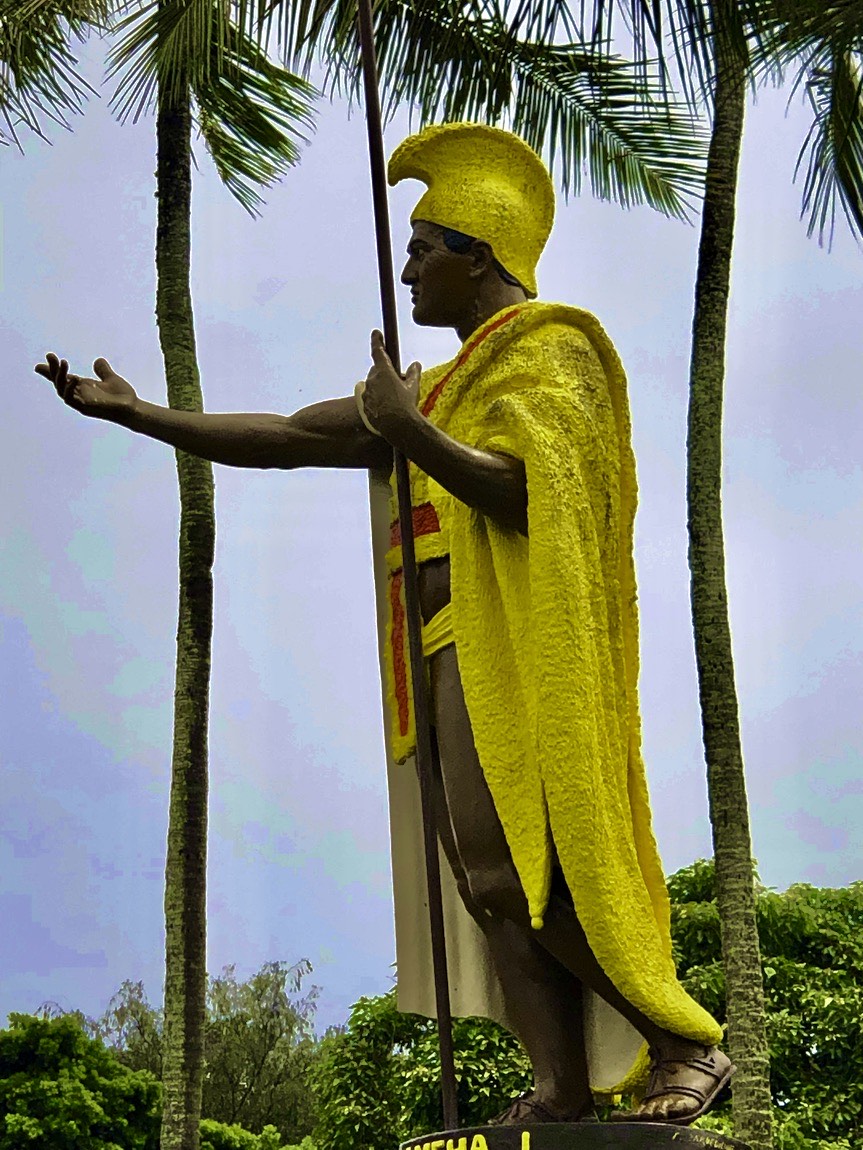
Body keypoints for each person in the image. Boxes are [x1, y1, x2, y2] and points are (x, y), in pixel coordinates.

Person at [35, 122, 733, 1127]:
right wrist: (140, 416)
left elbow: (529, 499)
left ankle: (683, 1041)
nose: (405, 270)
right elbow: (284, 434)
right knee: (483, 884)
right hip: (440, 653)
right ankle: (560, 1089)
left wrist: (411, 431)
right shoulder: (434, 388)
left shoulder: (552, 351)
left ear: (476, 253)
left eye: (421, 250)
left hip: (517, 653)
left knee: (524, 861)